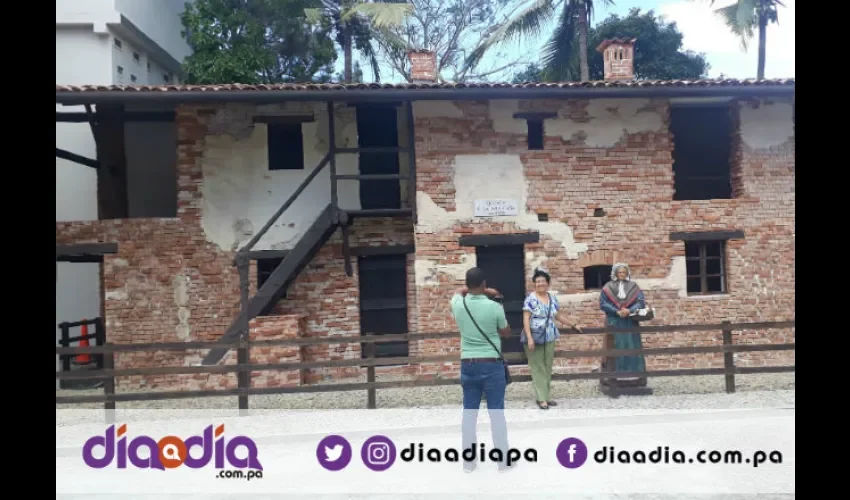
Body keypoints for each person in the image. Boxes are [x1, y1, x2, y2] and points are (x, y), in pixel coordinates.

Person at [451, 267, 515, 473]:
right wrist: (492, 294)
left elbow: (457, 292)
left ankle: (469, 462)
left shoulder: (458, 304)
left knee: (469, 413)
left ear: (468, 284)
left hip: (468, 364)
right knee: (496, 412)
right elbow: (506, 333)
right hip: (491, 363)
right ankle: (503, 461)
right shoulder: (494, 307)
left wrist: (473, 289)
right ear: (484, 284)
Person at [521, 267, 583, 410]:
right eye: (538, 281)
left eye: (543, 281)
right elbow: (525, 318)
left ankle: (546, 396)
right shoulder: (530, 299)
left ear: (547, 283)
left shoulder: (552, 298)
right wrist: (529, 338)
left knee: (548, 366)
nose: (540, 284)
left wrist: (573, 324)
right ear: (534, 284)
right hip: (534, 336)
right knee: (538, 367)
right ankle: (541, 399)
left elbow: (558, 315)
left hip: (549, 335)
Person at [599, 263, 648, 388]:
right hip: (614, 321)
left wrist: (629, 310)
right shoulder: (608, 287)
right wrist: (616, 311)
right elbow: (603, 303)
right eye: (620, 272)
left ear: (627, 273)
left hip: (630, 322)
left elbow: (641, 302)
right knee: (613, 347)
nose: (622, 274)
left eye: (624, 272)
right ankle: (612, 376)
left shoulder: (634, 287)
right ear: (615, 273)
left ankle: (636, 376)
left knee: (632, 346)